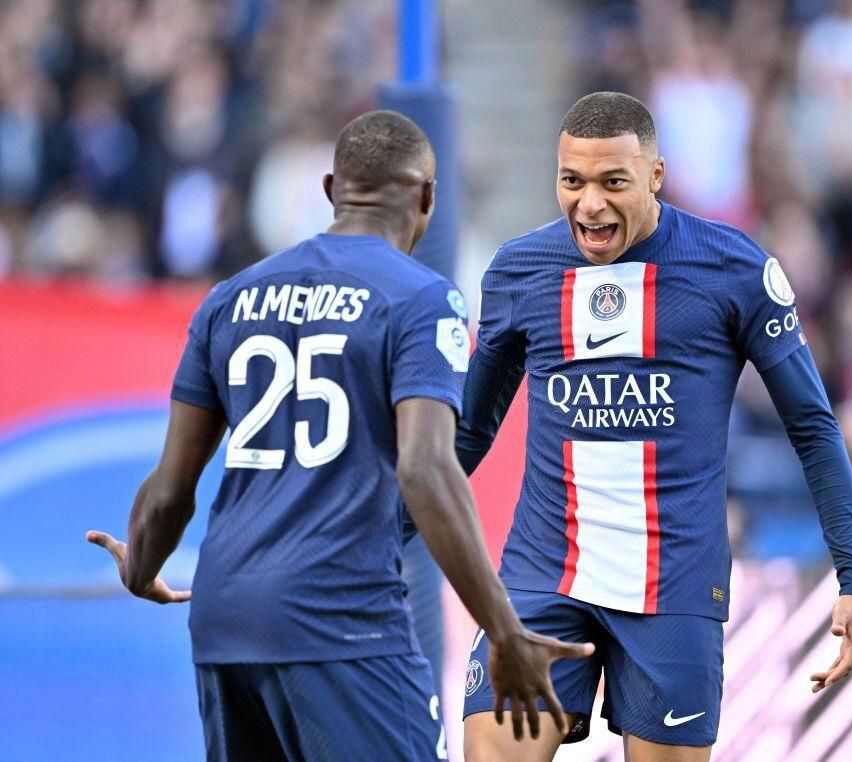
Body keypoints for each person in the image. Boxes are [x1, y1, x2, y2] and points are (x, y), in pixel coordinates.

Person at [86, 110, 593, 761]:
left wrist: (141, 567)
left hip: (225, 621)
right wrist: (504, 630)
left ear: (331, 190)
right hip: (340, 619)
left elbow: (169, 491)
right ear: (429, 199)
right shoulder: (421, 300)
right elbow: (427, 469)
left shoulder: (228, 299)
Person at [457, 92, 852, 762]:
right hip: (543, 573)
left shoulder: (734, 269)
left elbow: (813, 427)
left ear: (655, 175)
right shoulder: (519, 270)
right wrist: (385, 533)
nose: (589, 203)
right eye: (572, 181)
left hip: (672, 587)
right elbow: (467, 435)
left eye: (612, 182)